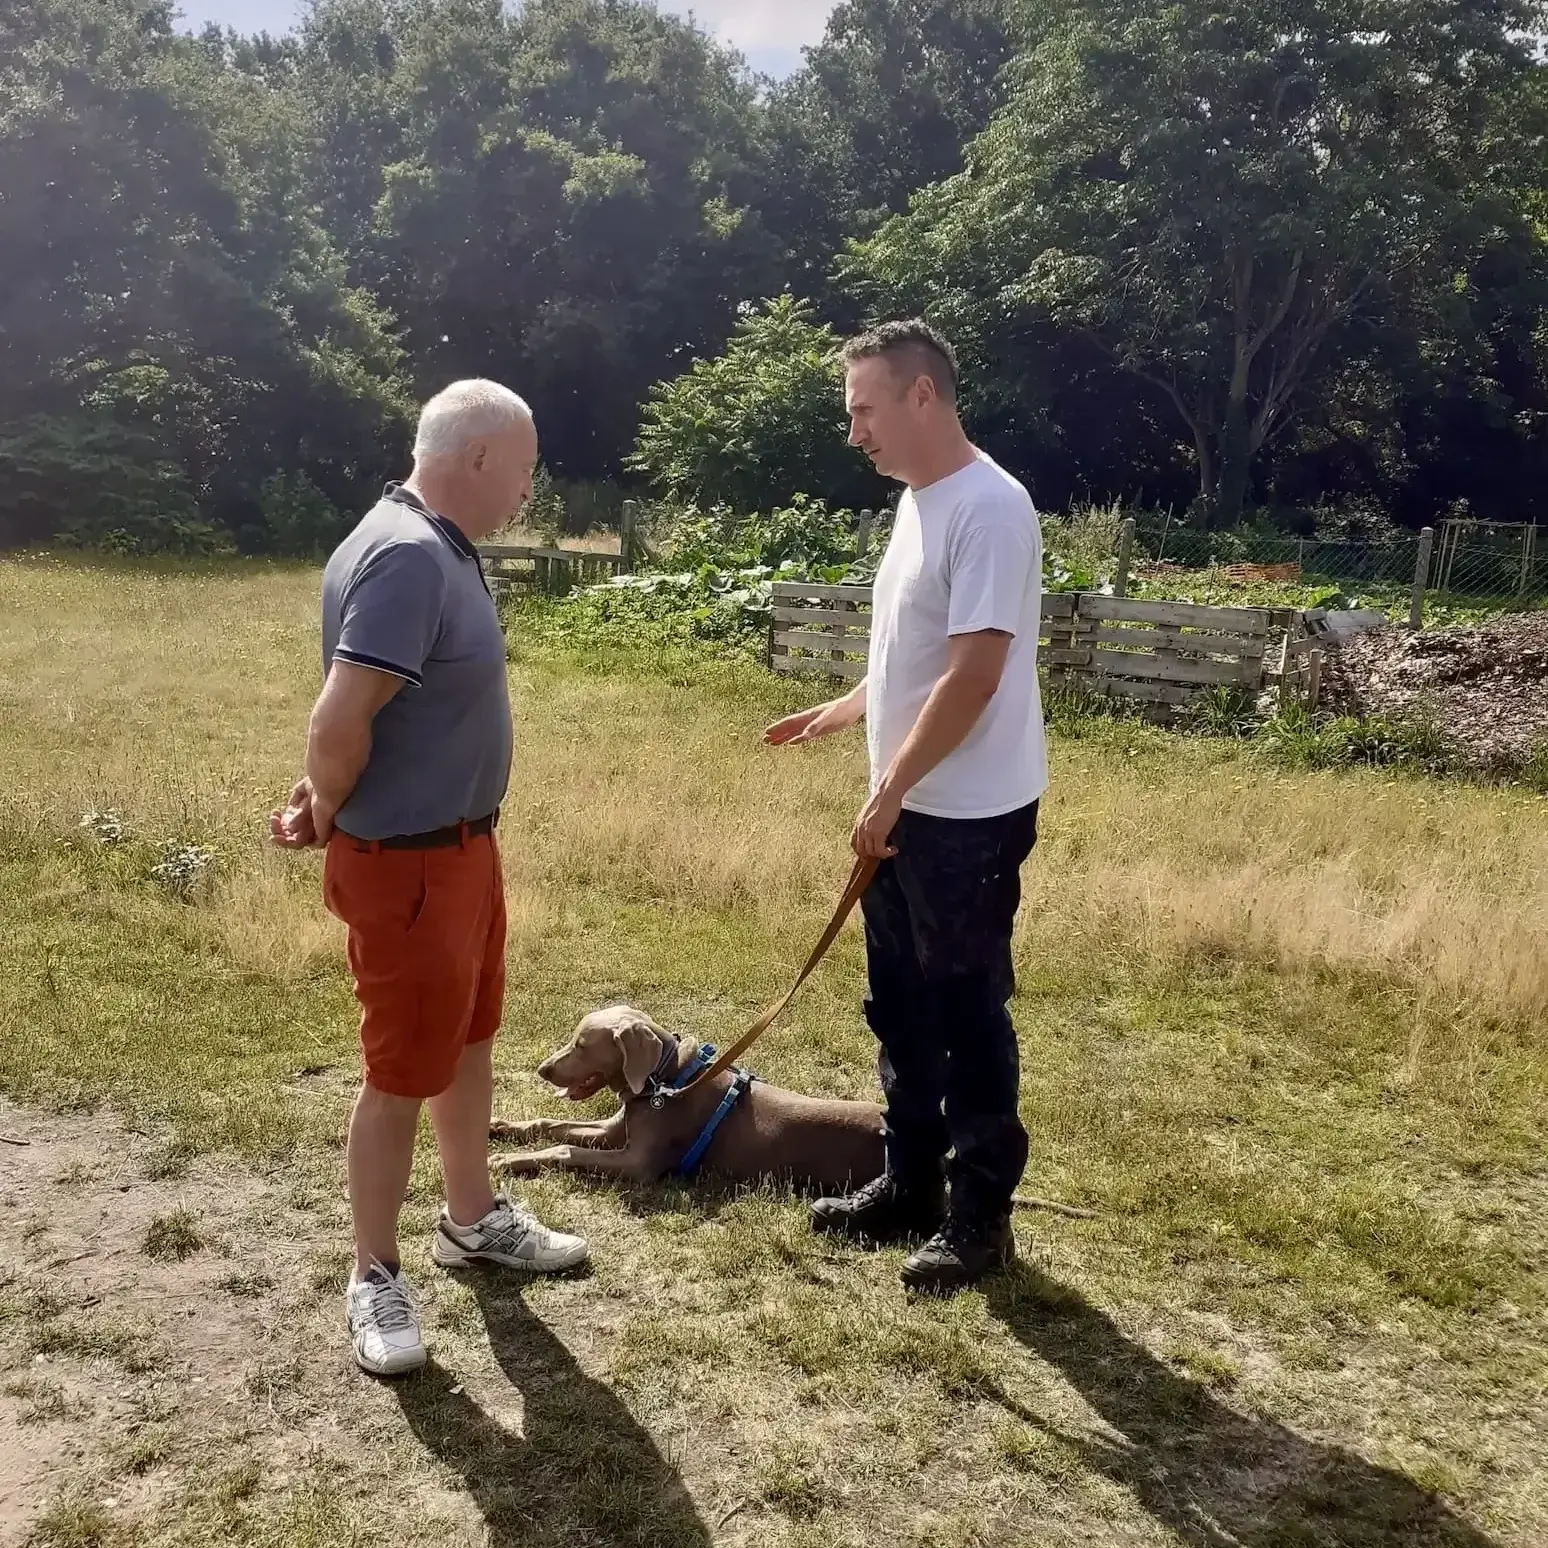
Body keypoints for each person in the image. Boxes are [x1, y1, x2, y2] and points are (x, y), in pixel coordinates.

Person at [270, 379, 588, 1376]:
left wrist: (322, 794)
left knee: (466, 1040)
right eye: (526, 471)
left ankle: (472, 1217)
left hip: (459, 854)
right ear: (480, 456)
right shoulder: (409, 554)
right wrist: (327, 805)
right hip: (408, 866)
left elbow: (368, 716)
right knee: (400, 1071)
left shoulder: (427, 542)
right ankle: (372, 1276)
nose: (528, 494)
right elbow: (336, 720)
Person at [765, 321, 1047, 1295]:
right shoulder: (919, 505)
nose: (856, 434)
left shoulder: (991, 509)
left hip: (963, 819)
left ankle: (979, 1222)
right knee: (901, 1008)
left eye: (864, 410)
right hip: (906, 811)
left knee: (968, 1015)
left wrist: (888, 792)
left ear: (922, 396)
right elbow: (915, 659)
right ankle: (910, 1188)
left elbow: (972, 679)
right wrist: (847, 712)